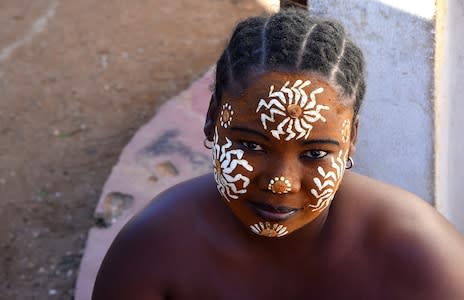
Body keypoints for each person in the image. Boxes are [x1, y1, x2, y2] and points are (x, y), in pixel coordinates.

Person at [92, 8, 464, 300]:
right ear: (211, 121)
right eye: (252, 146)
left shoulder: (422, 258)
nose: (279, 182)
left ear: (351, 141)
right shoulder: (152, 251)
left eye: (315, 153)